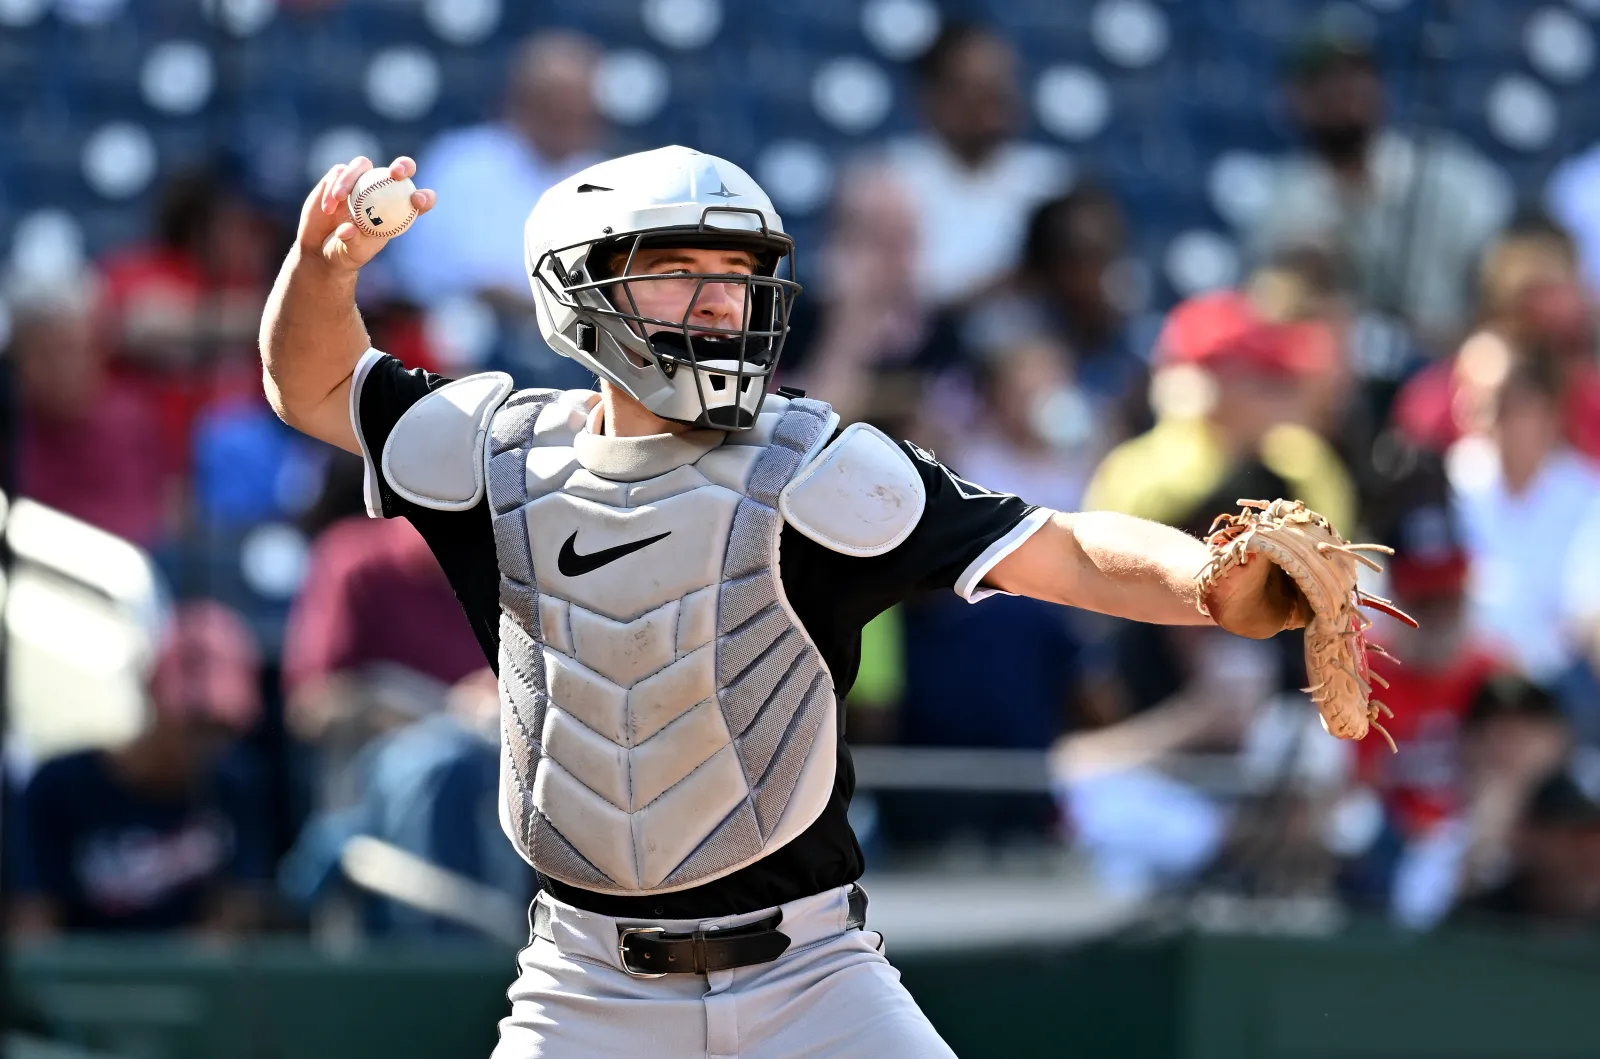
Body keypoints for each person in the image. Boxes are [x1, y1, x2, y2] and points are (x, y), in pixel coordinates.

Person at [263, 146, 1356, 1057]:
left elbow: (1057, 548)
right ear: (574, 291)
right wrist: (325, 261)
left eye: (733, 272)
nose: (715, 297)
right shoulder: (496, 454)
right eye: (673, 267)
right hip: (584, 985)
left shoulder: (819, 468)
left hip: (812, 982)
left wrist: (1207, 586)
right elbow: (311, 384)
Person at [13, 601, 272, 936]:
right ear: (152, 690)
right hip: (81, 985)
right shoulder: (58, 786)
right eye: (193, 723)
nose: (204, 745)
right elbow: (34, 926)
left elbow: (238, 922)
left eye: (221, 729)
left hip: (192, 986)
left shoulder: (236, 786)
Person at [1246, 29, 1512, 344]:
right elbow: (1265, 305)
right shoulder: (1281, 203)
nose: (1342, 94)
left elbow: (1503, 269)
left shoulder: (1448, 178)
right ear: (1298, 98)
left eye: (1355, 78)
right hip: (1338, 374)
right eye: (1324, 83)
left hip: (1448, 363)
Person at [390, 31, 605, 310]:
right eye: (555, 107)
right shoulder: (461, 159)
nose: (568, 121)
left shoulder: (607, 179)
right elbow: (414, 267)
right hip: (468, 328)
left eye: (578, 111)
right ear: (522, 101)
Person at [884, 22, 1071, 307]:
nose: (991, 100)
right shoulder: (890, 179)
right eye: (975, 88)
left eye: (1000, 85)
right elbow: (895, 298)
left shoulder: (1052, 180)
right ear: (933, 95)